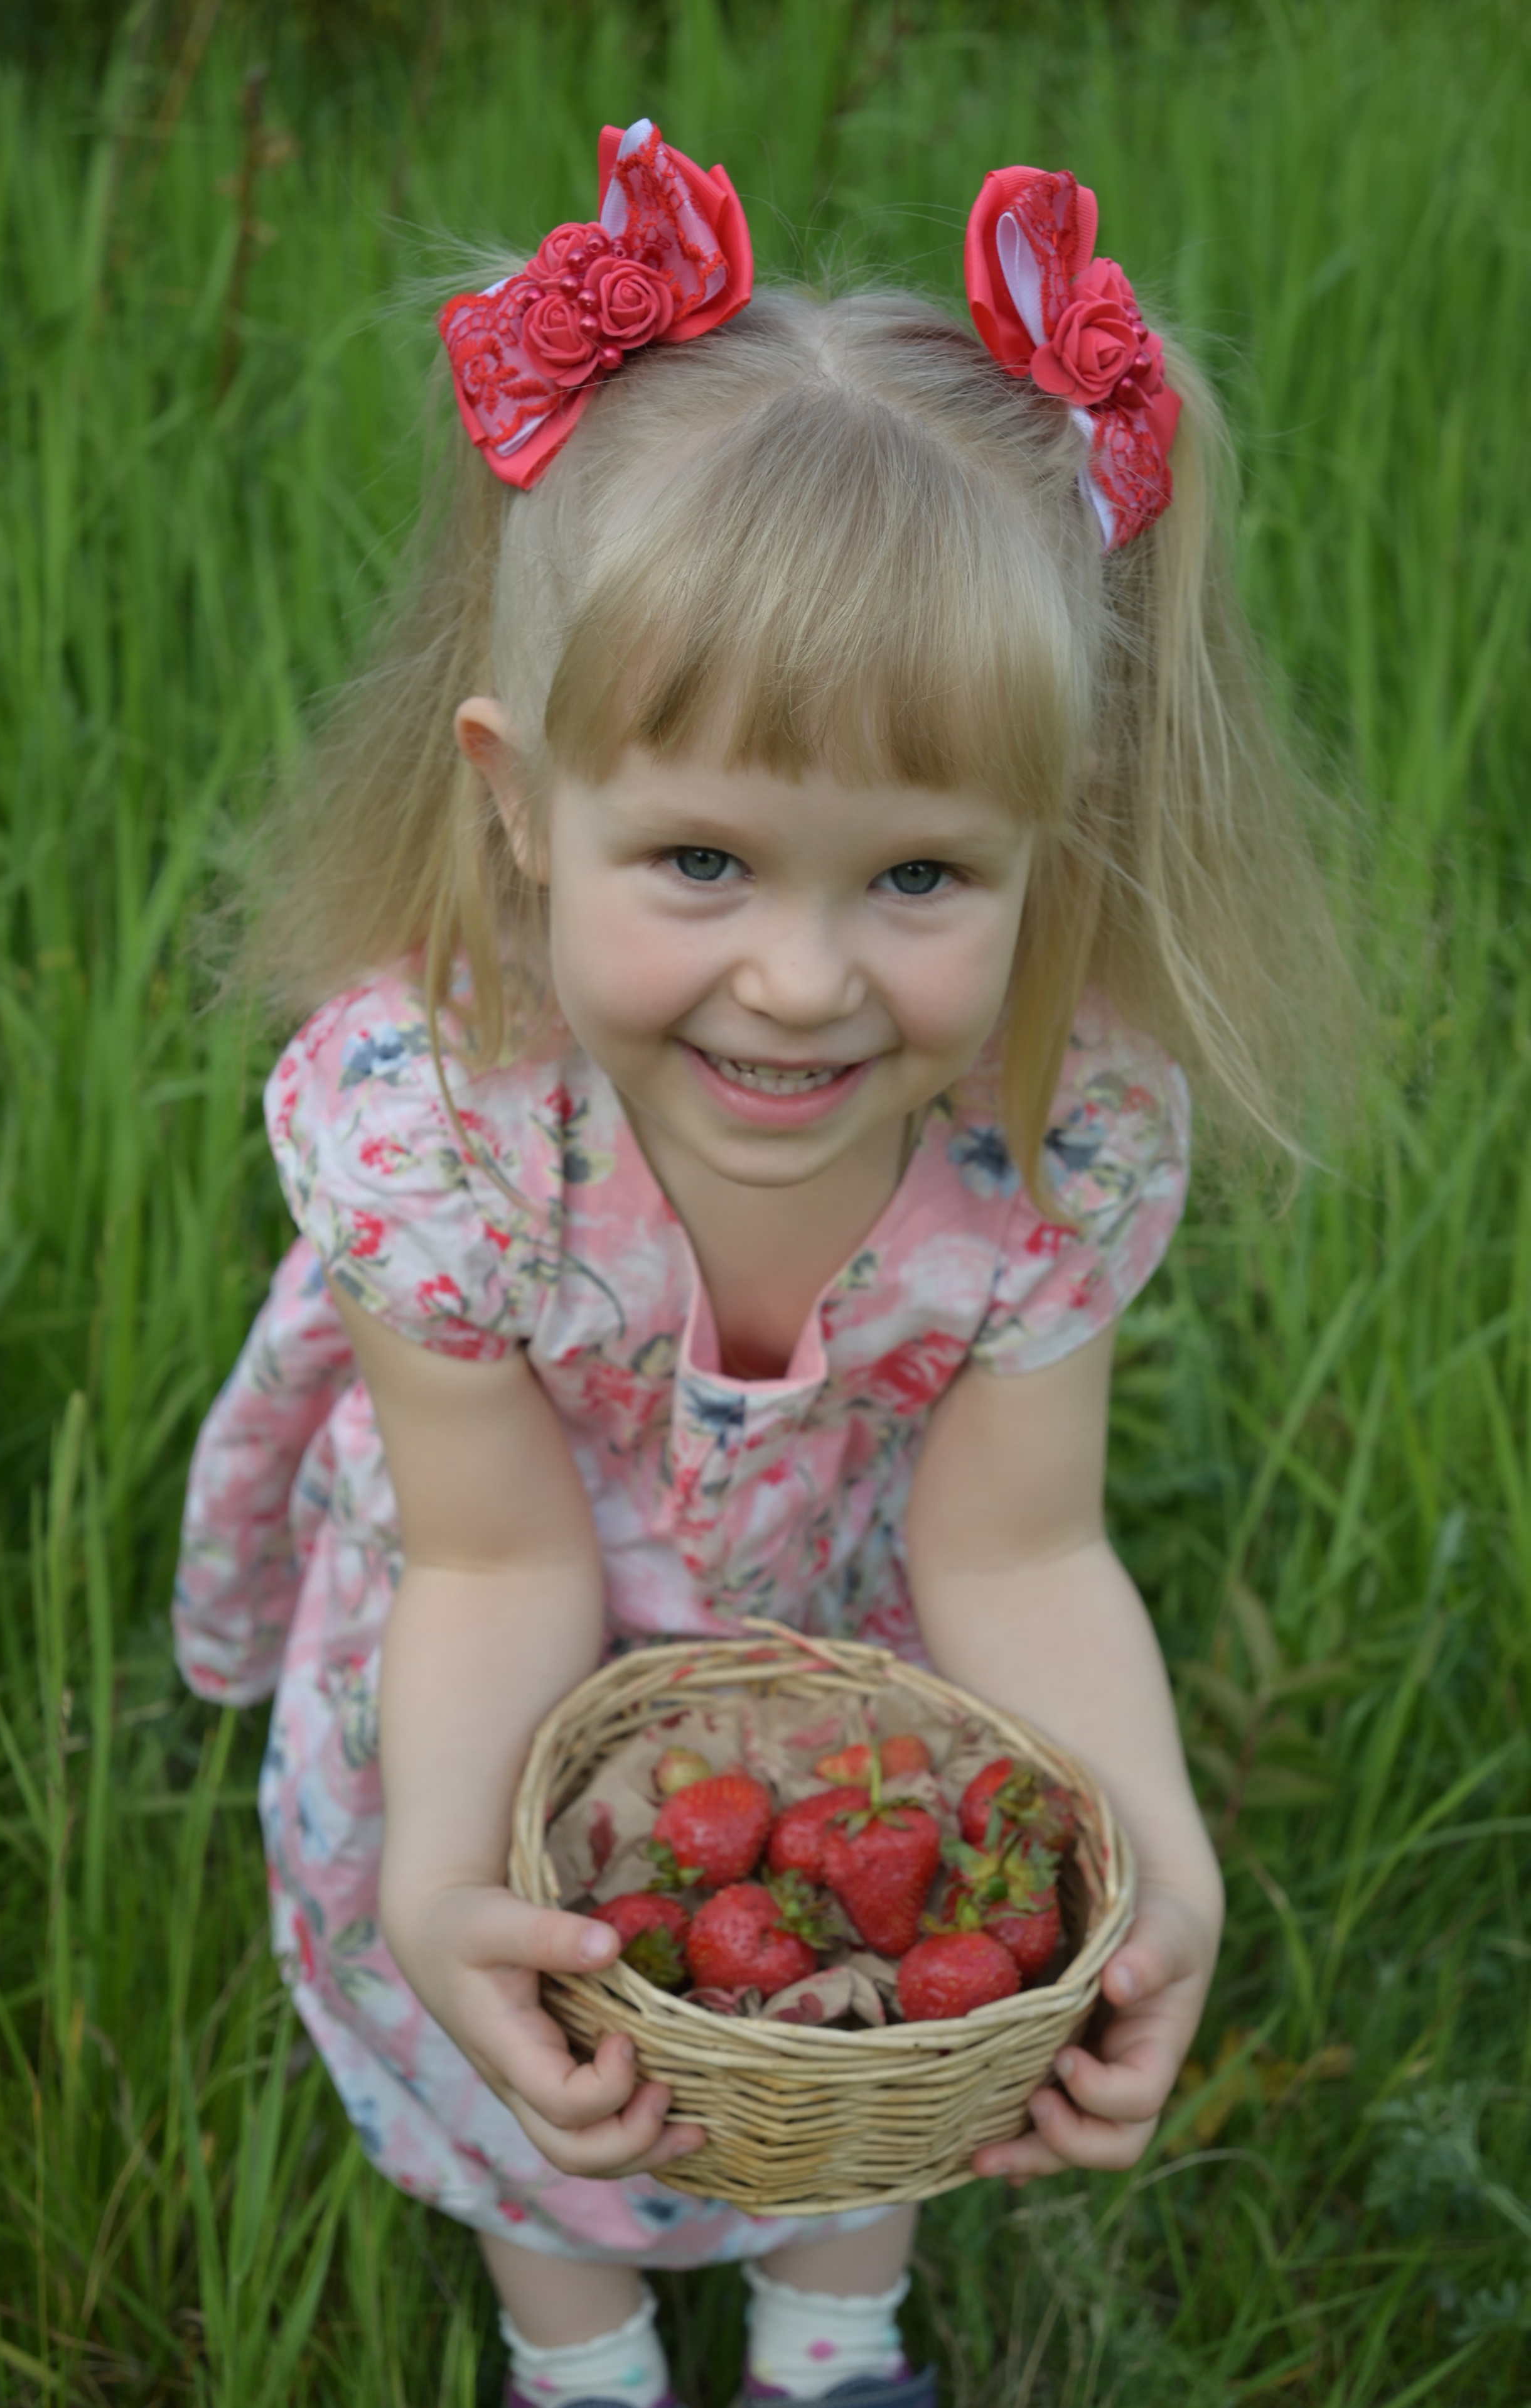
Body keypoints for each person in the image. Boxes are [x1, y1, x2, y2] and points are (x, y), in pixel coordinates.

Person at [175, 119, 1333, 2408]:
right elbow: (491, 1564)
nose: (800, 981)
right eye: (700, 857)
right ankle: (580, 2346)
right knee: (528, 2026)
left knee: (883, 1972)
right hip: (493, 1631)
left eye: (917, 880)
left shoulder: (1056, 1132)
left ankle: (835, 2322)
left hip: (848, 1635)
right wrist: (440, 1881)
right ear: (521, 803)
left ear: (1046, 838)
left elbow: (1019, 1545)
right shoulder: (440, 1127)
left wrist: (1156, 1862)